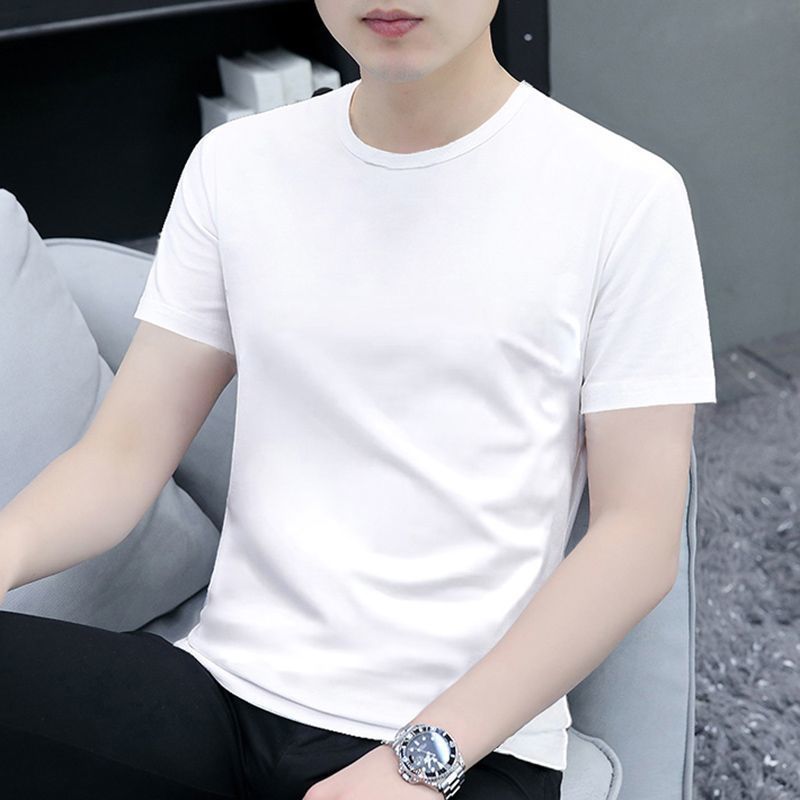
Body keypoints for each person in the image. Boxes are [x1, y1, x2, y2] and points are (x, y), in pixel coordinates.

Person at [0, 1, 717, 798]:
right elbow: (121, 456)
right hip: (221, 694)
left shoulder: (625, 196)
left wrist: (418, 762)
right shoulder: (235, 165)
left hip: (463, 742)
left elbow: (636, 538)